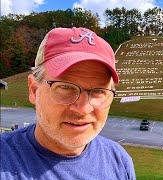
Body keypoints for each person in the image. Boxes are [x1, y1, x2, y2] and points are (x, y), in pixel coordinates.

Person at [0, 27, 136, 179]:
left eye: (98, 91)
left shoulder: (119, 161)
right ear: (33, 90)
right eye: (65, 88)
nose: (83, 109)